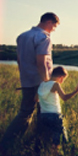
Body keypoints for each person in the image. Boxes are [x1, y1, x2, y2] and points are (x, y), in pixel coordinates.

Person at [0, 12, 60, 154]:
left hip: (27, 80)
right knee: (44, 114)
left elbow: (19, 60)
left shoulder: (22, 36)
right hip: (40, 82)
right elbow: (42, 63)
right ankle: (39, 146)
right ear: (49, 22)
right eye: (55, 26)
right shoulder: (44, 37)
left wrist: (24, 77)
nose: (54, 30)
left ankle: (9, 142)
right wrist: (46, 83)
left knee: (25, 113)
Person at [37, 66, 78, 154]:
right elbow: (64, 97)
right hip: (54, 116)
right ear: (60, 77)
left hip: (43, 116)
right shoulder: (55, 84)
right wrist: (77, 91)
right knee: (59, 139)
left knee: (52, 136)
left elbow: (36, 99)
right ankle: (61, 152)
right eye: (63, 79)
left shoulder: (42, 84)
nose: (62, 82)